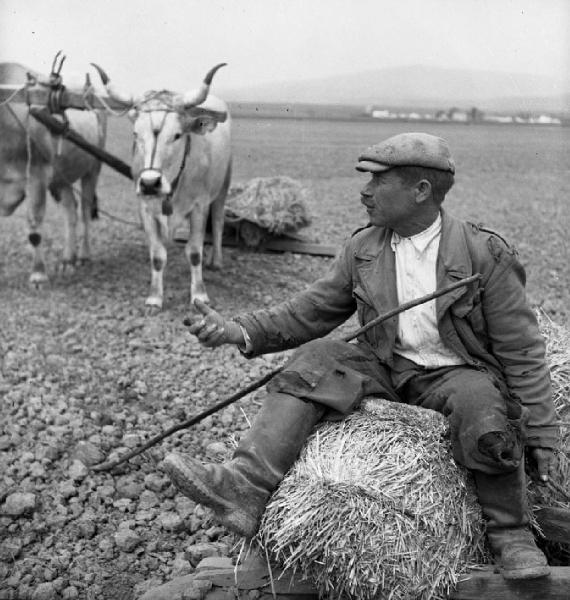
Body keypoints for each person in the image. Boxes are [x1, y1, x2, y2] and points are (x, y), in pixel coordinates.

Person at [162, 132, 559, 580]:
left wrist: (542, 434)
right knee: (316, 359)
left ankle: (511, 535)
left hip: (456, 373)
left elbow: (522, 351)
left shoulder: (483, 254)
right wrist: (237, 330)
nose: (364, 191)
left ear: (421, 191)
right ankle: (245, 487)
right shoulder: (364, 247)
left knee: (483, 408)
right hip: (386, 367)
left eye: (377, 181)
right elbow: (309, 312)